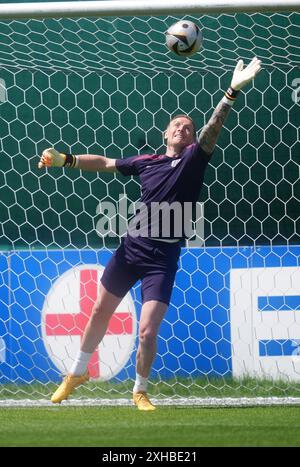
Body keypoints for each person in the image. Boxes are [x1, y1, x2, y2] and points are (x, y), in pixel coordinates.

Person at [39, 57, 261, 410]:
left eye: (188, 127)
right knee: (99, 311)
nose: (183, 129)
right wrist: (65, 159)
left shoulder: (193, 159)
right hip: (132, 248)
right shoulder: (147, 162)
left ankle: (140, 391)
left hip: (163, 258)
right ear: (164, 133)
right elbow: (106, 163)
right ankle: (76, 373)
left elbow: (211, 130)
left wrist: (231, 93)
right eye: (176, 125)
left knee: (147, 331)